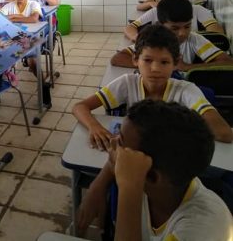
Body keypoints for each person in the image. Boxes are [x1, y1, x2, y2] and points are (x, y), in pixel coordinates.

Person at [77, 100, 233, 239]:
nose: (113, 144)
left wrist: (129, 188)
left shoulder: (202, 230)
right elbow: (115, 162)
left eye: (121, 143)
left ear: (151, 176)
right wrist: (97, 186)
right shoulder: (159, 186)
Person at [73, 24, 232, 151]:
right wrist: (94, 127)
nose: (155, 68)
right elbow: (79, 107)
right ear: (136, 60)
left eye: (164, 62)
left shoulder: (186, 90)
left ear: (176, 63)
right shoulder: (128, 83)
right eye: (147, 60)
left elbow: (224, 133)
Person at [113, 0, 233, 70]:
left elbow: (227, 62)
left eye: (187, 26)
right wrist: (160, 66)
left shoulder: (194, 39)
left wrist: (188, 67)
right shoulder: (153, 39)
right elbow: (118, 58)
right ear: (160, 25)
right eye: (175, 28)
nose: (182, 33)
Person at [124, 0, 223, 42]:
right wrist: (137, 39)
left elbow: (216, 33)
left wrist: (191, 40)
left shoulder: (198, 10)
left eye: (187, 26)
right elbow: (130, 27)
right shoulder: (156, 11)